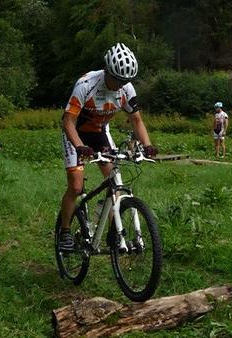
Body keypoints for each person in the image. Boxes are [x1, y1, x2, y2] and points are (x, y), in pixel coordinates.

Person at [58, 42, 157, 251]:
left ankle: (114, 232)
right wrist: (79, 146)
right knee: (76, 187)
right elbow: (67, 122)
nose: (120, 85)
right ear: (107, 71)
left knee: (116, 182)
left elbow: (136, 121)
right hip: (75, 134)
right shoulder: (86, 84)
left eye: (124, 81)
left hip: (100, 134)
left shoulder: (126, 89)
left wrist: (147, 145)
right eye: (117, 79)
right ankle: (64, 232)